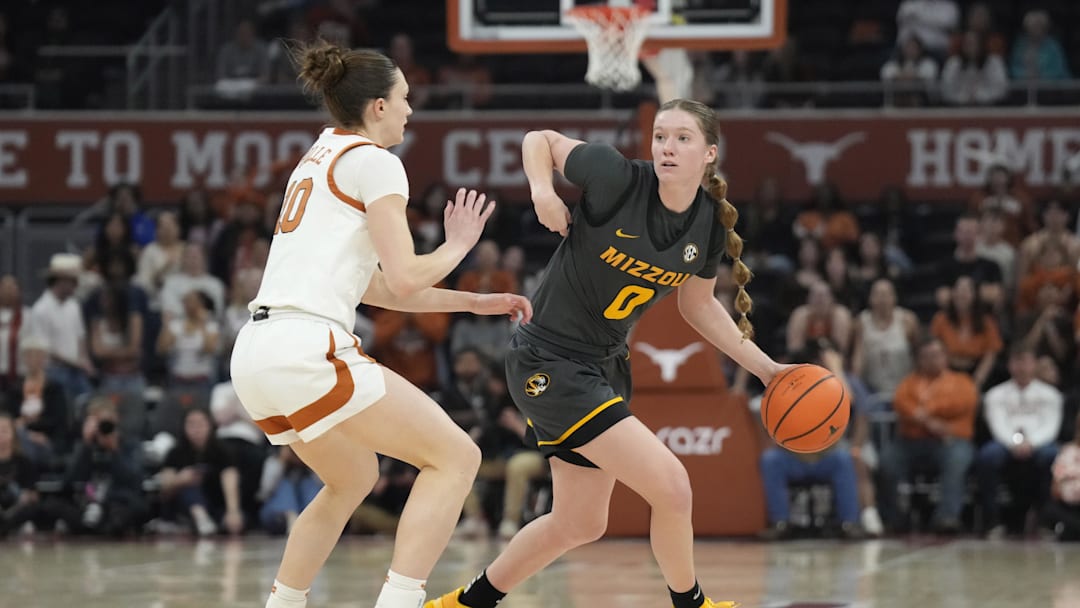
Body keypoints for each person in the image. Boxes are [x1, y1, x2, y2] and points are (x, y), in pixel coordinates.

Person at [425, 98, 786, 608]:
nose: (667, 147)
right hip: (548, 359)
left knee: (580, 522)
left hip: (604, 364)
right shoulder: (617, 176)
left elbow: (701, 309)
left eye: (682, 138)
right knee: (673, 485)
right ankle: (693, 605)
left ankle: (464, 604)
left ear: (709, 153)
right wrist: (543, 191)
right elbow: (539, 138)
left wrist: (769, 369)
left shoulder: (707, 226)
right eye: (661, 136)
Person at [227, 41, 531, 608]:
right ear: (378, 107)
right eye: (405, 99)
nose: (411, 110)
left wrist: (471, 303)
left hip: (257, 353)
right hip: (307, 346)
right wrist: (460, 245)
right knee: (456, 457)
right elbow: (408, 275)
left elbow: (379, 289)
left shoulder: (319, 156)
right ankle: (400, 602)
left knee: (350, 480)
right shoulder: (377, 162)